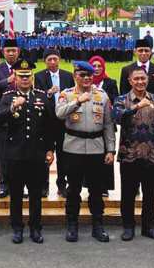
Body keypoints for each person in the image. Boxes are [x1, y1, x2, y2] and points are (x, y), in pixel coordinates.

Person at [55, 61, 116, 243]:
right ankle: (72, 225)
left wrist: (110, 149)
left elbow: (108, 125)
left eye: (90, 76)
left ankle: (98, 225)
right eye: (82, 75)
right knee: (73, 189)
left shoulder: (102, 96)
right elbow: (59, 113)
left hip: (96, 148)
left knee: (96, 190)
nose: (87, 79)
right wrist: (77, 101)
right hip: (73, 147)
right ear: (75, 76)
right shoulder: (66, 94)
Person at [0, 59, 55, 244]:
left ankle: (35, 228)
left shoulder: (41, 96)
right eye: (21, 76)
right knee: (15, 195)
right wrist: (13, 106)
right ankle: (17, 228)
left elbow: (49, 126)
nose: (24, 79)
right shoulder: (7, 97)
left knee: (36, 195)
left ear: (32, 77)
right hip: (15, 155)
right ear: (15, 77)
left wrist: (50, 150)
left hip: (37, 155)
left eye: (27, 76)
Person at [113, 66, 154, 241]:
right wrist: (136, 106)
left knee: (150, 194)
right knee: (128, 194)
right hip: (129, 154)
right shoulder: (122, 100)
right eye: (136, 79)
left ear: (147, 80)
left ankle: (149, 227)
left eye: (143, 78)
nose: (140, 82)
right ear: (130, 81)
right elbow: (118, 118)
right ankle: (128, 227)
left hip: (151, 155)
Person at [34, 49, 74, 198]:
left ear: (59, 59)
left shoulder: (67, 76)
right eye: (49, 59)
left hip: (63, 121)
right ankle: (44, 185)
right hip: (46, 121)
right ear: (45, 61)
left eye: (55, 59)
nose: (52, 62)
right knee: (46, 154)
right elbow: (36, 96)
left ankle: (62, 185)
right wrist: (48, 93)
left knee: (64, 156)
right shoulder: (38, 76)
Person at [0, 37, 21, 199]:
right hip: (0, 115)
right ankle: (3, 185)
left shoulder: (24, 66)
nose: (11, 53)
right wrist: (7, 81)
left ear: (18, 52)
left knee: (19, 151)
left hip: (20, 114)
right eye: (8, 51)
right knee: (1, 152)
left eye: (14, 50)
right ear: (3, 52)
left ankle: (18, 184)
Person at [89, 55, 118, 196]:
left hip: (106, 125)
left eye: (99, 66)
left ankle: (104, 186)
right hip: (89, 124)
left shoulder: (110, 82)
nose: (96, 69)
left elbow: (116, 101)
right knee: (91, 157)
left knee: (107, 154)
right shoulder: (85, 82)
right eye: (93, 66)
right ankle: (90, 185)